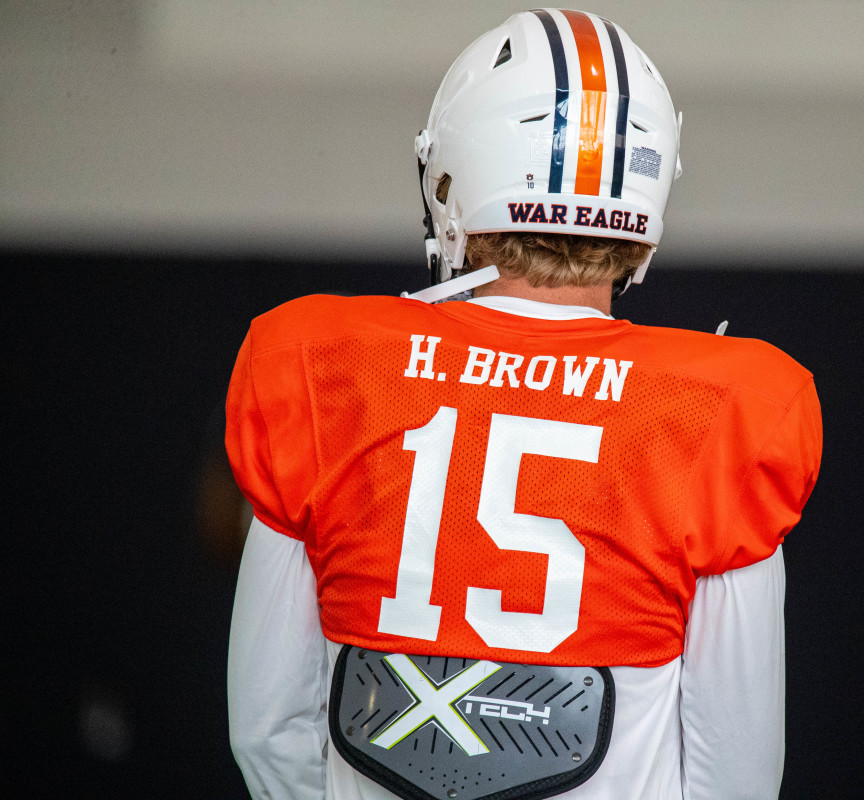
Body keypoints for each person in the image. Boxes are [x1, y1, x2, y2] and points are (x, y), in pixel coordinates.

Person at [225, 9, 822, 800]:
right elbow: (735, 768)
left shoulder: (322, 363)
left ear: (455, 175)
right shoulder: (720, 407)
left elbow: (266, 728)